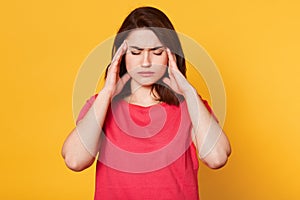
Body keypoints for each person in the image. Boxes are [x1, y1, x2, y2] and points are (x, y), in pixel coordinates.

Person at [61, 6, 231, 200]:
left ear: (170, 55)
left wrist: (188, 92)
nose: (146, 62)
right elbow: (74, 160)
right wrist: (107, 92)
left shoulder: (190, 106)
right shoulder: (101, 106)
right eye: (136, 52)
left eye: (157, 52)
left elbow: (217, 158)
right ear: (122, 56)